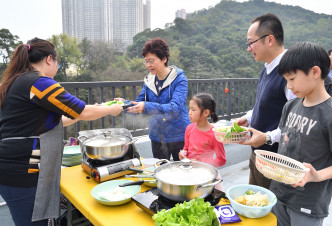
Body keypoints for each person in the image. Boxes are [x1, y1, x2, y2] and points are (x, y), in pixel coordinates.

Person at [0, 38, 123, 226]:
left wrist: (92, 109)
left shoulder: (17, 81)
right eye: (57, 62)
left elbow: (58, 120)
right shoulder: (38, 83)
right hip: (23, 171)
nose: (57, 67)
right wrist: (110, 109)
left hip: (13, 168)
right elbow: (83, 111)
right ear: (50, 59)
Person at [247, 42, 332, 226]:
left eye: (292, 79)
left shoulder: (329, 113)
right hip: (279, 194)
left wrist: (316, 176)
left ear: (315, 72)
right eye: (286, 80)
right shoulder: (290, 106)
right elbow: (285, 141)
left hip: (307, 202)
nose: (288, 86)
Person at [235, 13, 297, 189]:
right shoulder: (267, 68)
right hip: (258, 153)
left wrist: (268, 138)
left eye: (250, 42)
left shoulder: (290, 72)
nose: (249, 48)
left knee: (267, 209)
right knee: (253, 202)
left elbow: (294, 124)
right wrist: (249, 117)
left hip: (275, 160)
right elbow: (265, 103)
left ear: (269, 40)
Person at [125, 37, 190, 161]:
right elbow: (139, 103)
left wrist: (146, 106)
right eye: (146, 61)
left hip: (179, 135)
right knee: (161, 171)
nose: (148, 65)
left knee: (181, 174)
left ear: (164, 59)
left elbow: (174, 108)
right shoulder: (149, 80)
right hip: (157, 136)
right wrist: (118, 105)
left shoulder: (179, 79)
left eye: (151, 61)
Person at [179, 93, 226, 168]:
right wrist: (183, 154)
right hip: (190, 170)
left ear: (205, 112)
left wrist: (202, 163)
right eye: (189, 108)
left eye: (193, 110)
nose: (189, 113)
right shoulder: (189, 128)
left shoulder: (215, 134)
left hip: (205, 174)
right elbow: (186, 148)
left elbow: (221, 160)